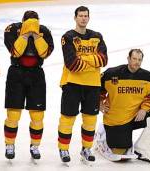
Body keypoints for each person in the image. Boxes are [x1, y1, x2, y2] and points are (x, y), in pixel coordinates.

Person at [97, 49, 150, 163]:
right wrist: (99, 103)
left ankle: (143, 147)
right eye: (134, 59)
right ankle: (103, 134)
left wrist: (144, 109)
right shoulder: (111, 73)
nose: (137, 62)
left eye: (139, 60)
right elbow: (96, 88)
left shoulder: (148, 77)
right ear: (128, 59)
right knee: (120, 154)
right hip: (117, 119)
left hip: (137, 115)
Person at [57, 6, 108, 164]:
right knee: (68, 117)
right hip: (72, 84)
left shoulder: (97, 36)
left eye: (86, 16)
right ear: (75, 18)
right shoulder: (68, 37)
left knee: (90, 119)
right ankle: (63, 148)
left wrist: (83, 58)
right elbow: (72, 64)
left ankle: (86, 148)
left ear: (89, 18)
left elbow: (104, 60)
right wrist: (92, 60)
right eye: (80, 16)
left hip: (93, 85)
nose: (83, 18)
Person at [3, 10, 54, 160]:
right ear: (22, 21)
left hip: (36, 74)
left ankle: (35, 146)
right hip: (16, 74)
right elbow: (16, 52)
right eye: (29, 22)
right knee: (13, 114)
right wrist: (25, 34)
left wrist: (36, 36)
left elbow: (44, 52)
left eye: (35, 22)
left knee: (37, 115)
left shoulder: (44, 31)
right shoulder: (12, 29)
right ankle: (9, 145)